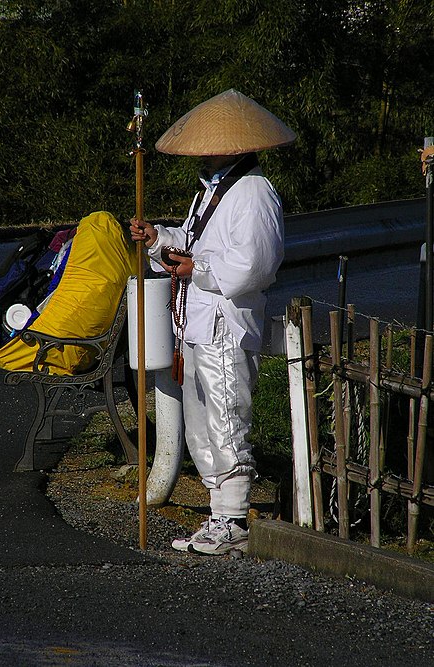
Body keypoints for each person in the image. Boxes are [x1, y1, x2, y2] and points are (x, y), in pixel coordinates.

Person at [130, 89, 296, 555]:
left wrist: (196, 270)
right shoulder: (212, 192)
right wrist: (159, 239)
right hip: (198, 322)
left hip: (227, 321)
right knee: (200, 418)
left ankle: (235, 519)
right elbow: (192, 241)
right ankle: (219, 513)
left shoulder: (253, 192)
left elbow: (255, 264)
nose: (202, 157)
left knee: (226, 415)